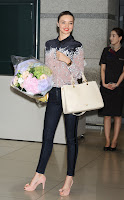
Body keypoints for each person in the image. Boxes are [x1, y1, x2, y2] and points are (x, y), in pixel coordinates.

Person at [24, 11, 86, 196]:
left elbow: (79, 74)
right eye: (63, 22)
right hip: (53, 95)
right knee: (47, 137)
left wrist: (67, 61)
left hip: (70, 94)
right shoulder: (49, 45)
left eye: (70, 23)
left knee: (71, 139)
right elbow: (47, 71)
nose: (67, 26)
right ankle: (39, 175)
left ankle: (69, 179)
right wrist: (39, 86)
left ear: (73, 25)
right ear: (58, 24)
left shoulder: (77, 46)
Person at [99, 27, 124, 151]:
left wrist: (117, 84)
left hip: (118, 88)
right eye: (110, 35)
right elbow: (103, 68)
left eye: (114, 36)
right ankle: (107, 141)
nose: (111, 38)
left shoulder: (123, 52)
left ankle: (114, 141)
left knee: (117, 115)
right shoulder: (106, 51)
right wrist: (104, 83)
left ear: (120, 38)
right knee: (107, 115)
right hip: (106, 87)